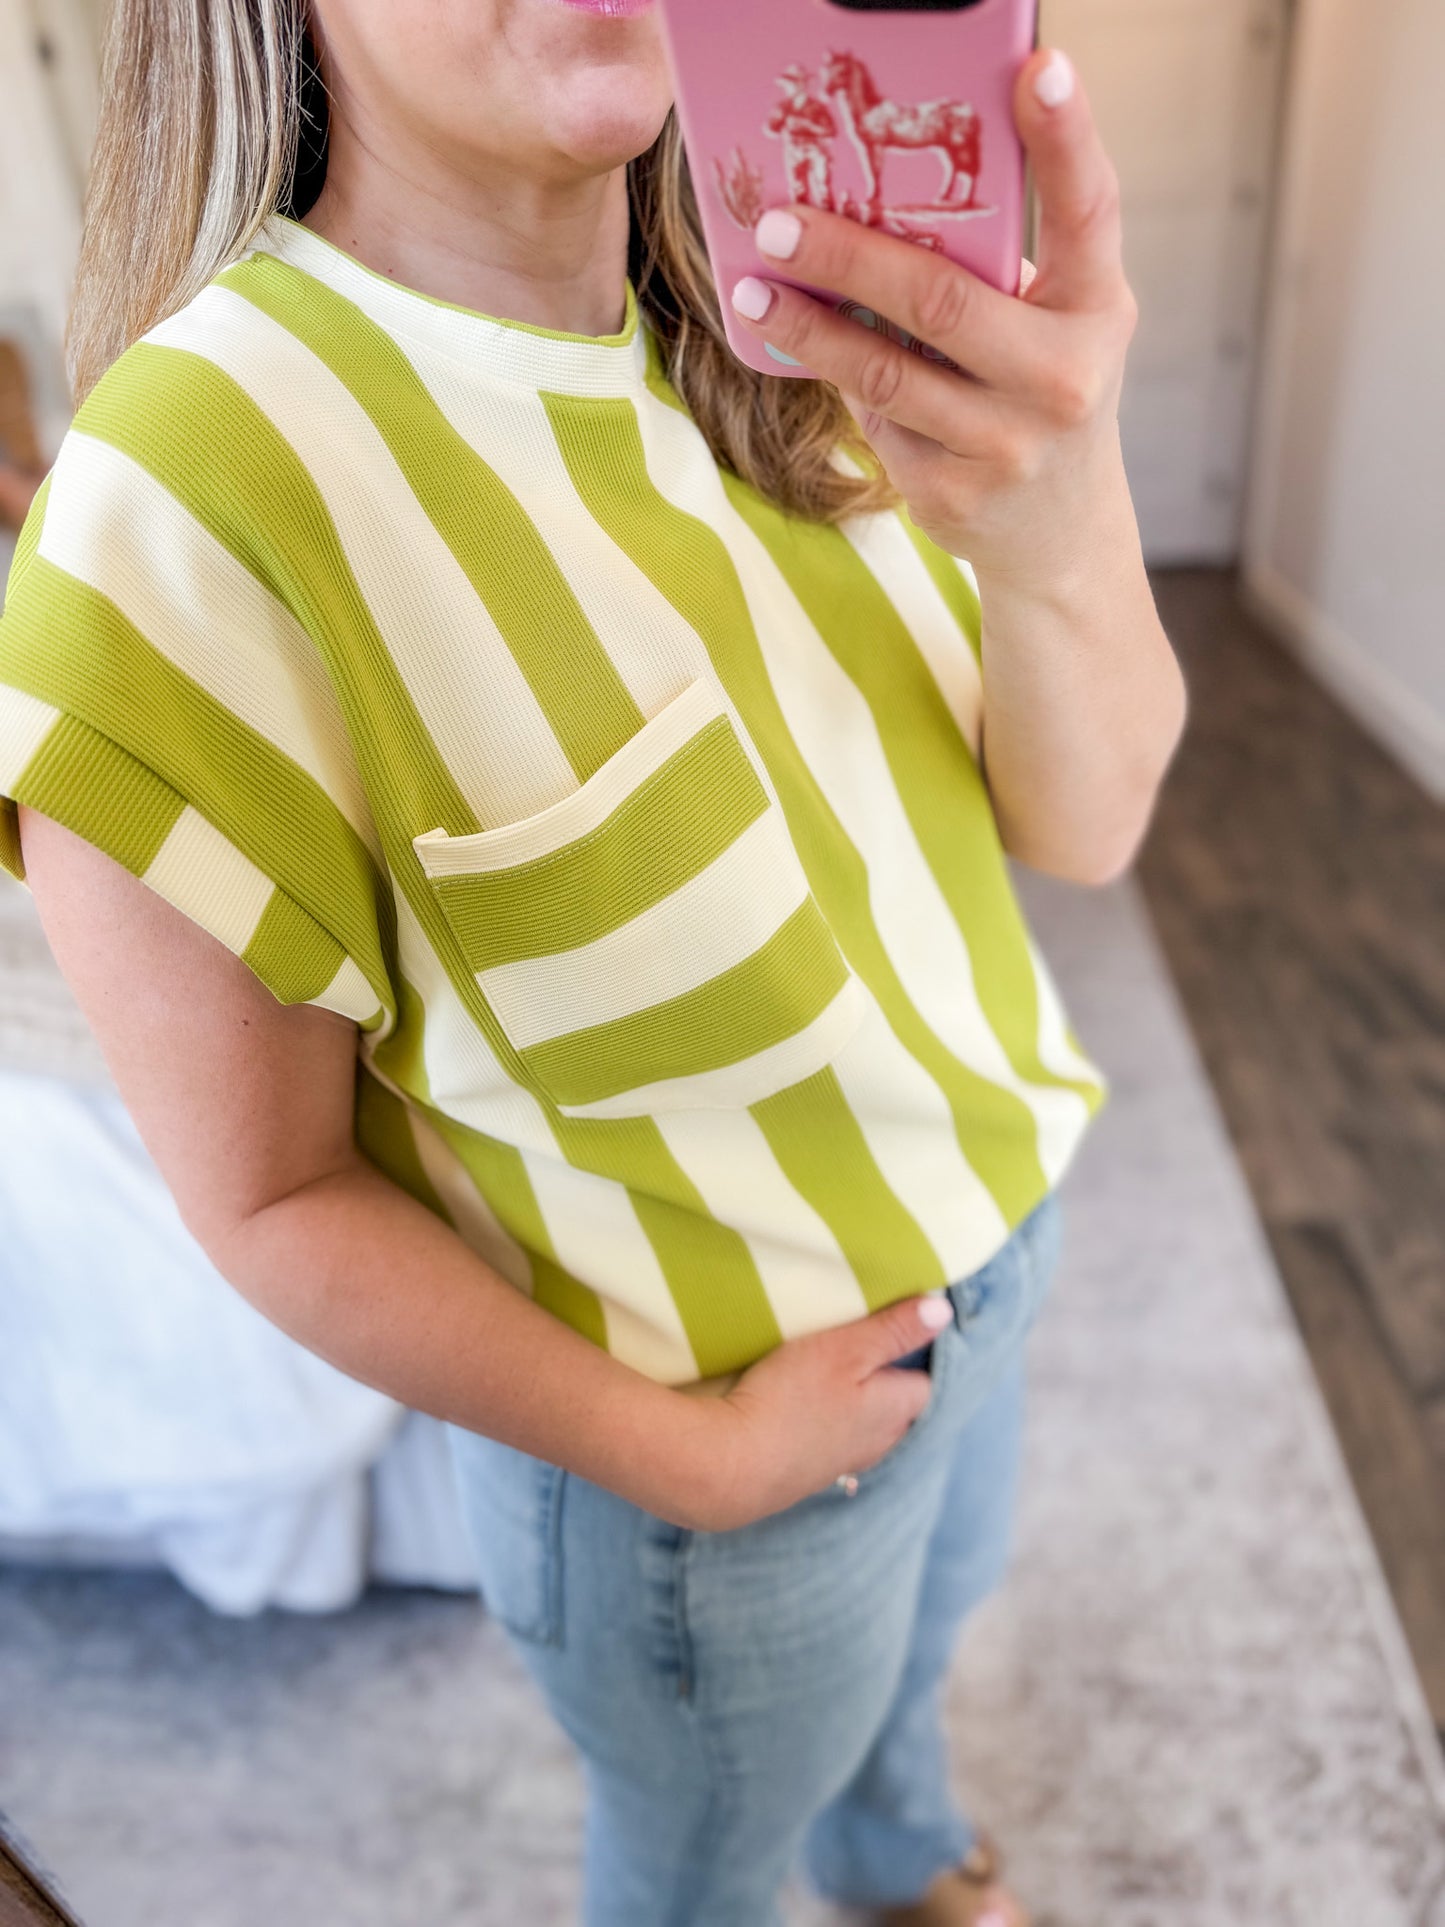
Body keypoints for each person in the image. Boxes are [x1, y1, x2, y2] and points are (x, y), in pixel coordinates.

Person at [0, 1, 1185, 1921]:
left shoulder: (798, 289)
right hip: (712, 1472)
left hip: (994, 1246)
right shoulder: (188, 505)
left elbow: (1084, 825)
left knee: (918, 1665)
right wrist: (692, 1464)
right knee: (705, 1856)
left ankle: (902, 1864)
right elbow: (272, 1191)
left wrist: (1064, 525)